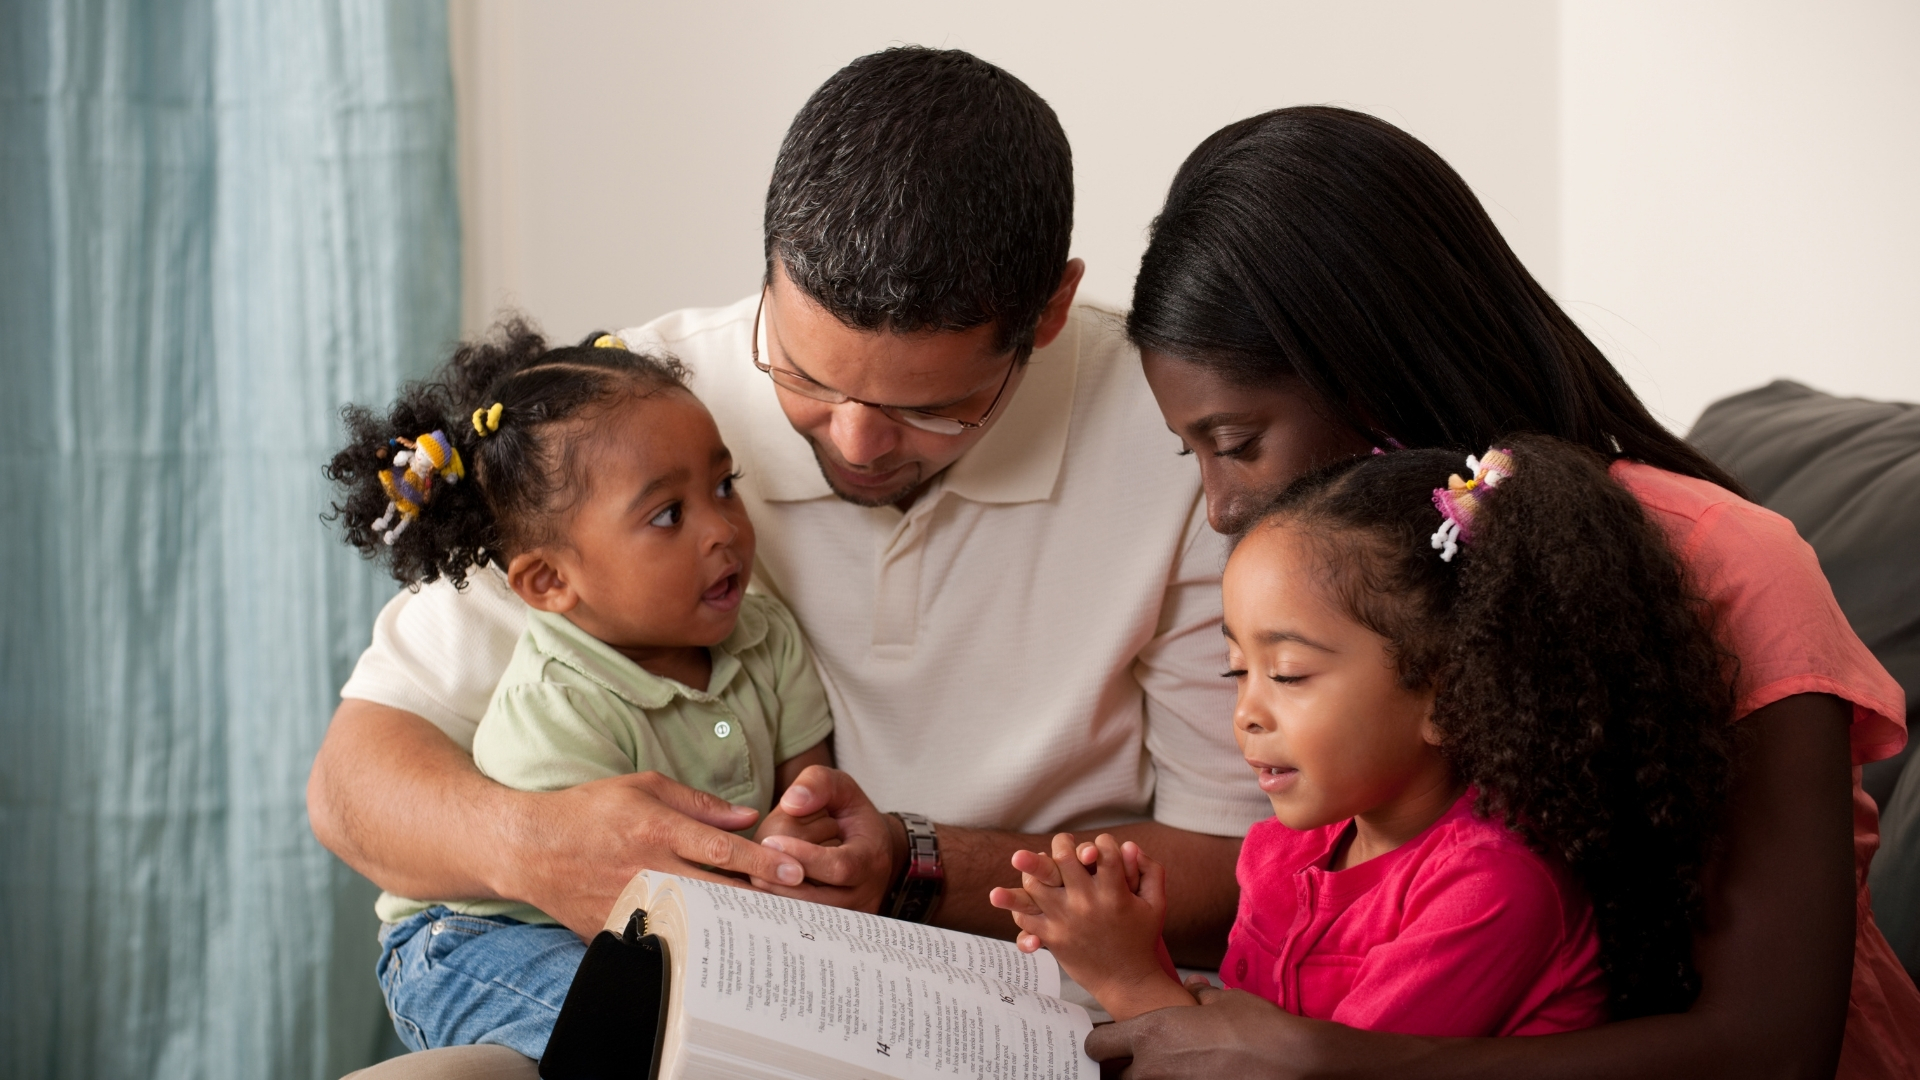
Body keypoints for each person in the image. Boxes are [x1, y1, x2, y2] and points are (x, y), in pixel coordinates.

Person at [311, 48, 1262, 1073]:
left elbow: (1237, 874)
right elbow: (354, 784)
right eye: (804, 377)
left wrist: (912, 865)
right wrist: (539, 847)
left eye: (928, 408)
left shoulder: (1175, 436)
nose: (855, 442)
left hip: (1018, 1014)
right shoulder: (634, 422)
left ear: (1050, 311)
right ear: (767, 267)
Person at [1092, 105, 1919, 1079]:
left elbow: (1770, 1046)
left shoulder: (1727, 562)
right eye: (1192, 454)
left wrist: (1329, 1062)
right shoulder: (1347, 602)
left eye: (1236, 444)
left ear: (1367, 373)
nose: (1220, 507)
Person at [998, 437, 1749, 1038]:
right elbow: (1240, 1035)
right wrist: (1129, 940)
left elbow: (1303, 1075)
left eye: (1287, 674)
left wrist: (1130, 979)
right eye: (1238, 671)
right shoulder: (1284, 853)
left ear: (1449, 697)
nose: (1248, 713)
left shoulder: (1493, 890)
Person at [324, 325, 835, 1058]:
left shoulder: (765, 633)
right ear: (550, 582)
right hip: (480, 938)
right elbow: (599, 897)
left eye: (724, 486)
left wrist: (798, 832)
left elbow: (810, 785)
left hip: (649, 924)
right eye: (668, 515)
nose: (723, 529)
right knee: (641, 1030)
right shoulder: (556, 703)